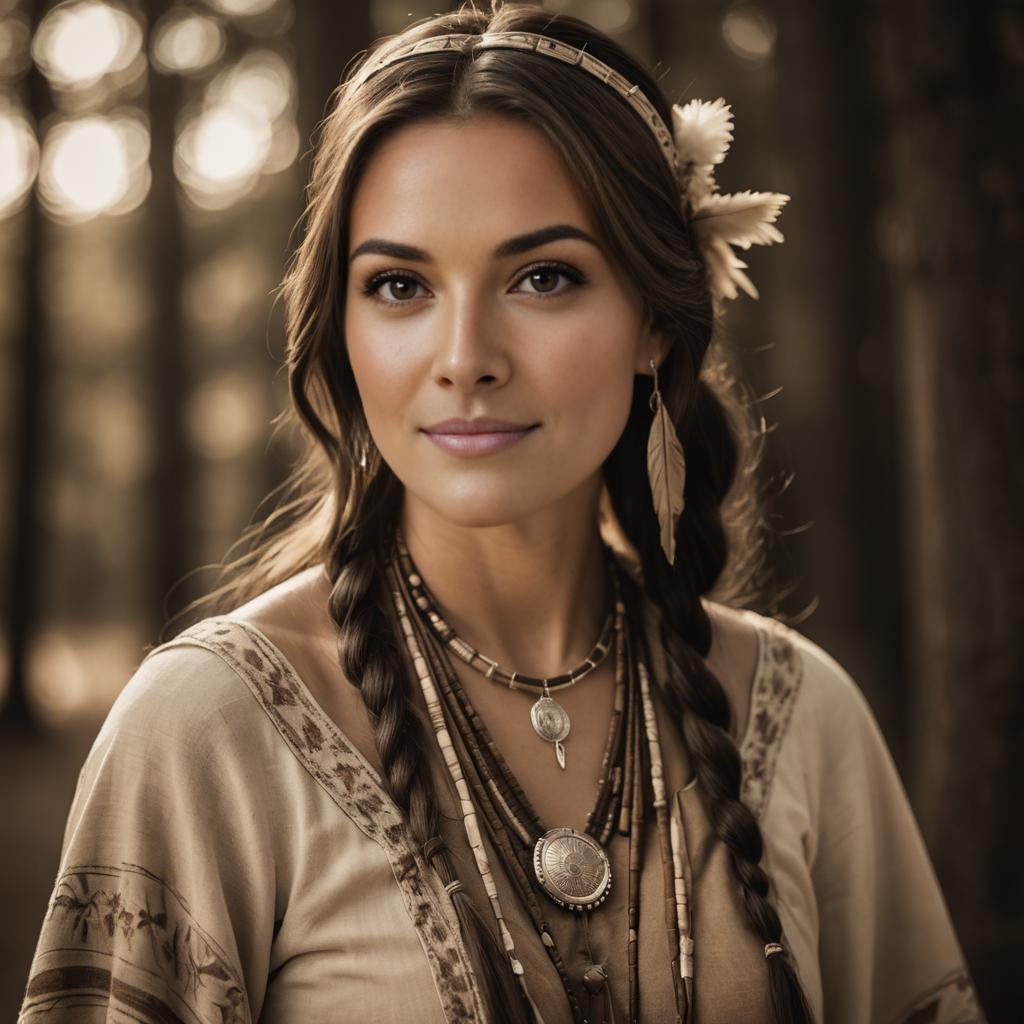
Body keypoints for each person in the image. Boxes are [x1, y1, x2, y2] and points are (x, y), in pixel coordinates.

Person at [19, 4, 984, 1023]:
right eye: (399, 284)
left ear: (655, 318)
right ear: (339, 329)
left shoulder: (800, 718)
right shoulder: (208, 731)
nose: (465, 353)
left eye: (543, 276)